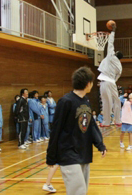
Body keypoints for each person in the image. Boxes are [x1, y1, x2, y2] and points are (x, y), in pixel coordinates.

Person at [46, 66, 106, 195]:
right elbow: (56, 129)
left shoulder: (86, 101)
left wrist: (100, 144)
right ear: (88, 83)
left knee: (82, 190)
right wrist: (51, 155)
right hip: (68, 153)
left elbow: (91, 125)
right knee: (77, 192)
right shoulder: (65, 101)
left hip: (83, 152)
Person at [97, 23, 123, 127]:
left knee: (106, 102)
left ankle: (106, 122)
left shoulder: (111, 55)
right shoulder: (120, 66)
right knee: (116, 101)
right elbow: (117, 77)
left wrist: (113, 31)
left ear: (116, 53)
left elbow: (110, 43)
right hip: (112, 83)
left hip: (104, 82)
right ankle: (118, 120)